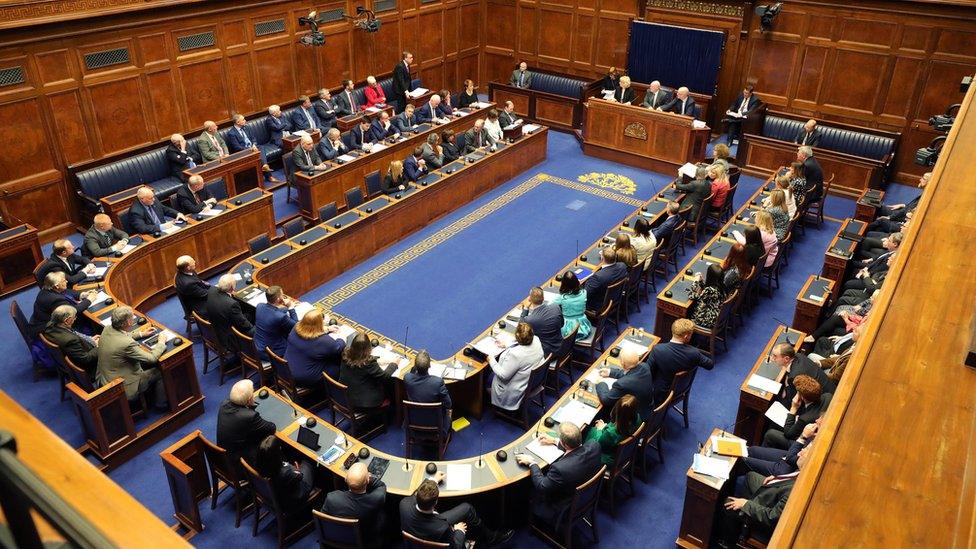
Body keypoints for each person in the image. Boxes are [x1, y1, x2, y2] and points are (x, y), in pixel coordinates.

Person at [721, 444, 811, 545]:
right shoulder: (803, 472)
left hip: (766, 517)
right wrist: (777, 478)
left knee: (727, 503)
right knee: (751, 476)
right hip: (771, 493)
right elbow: (789, 479)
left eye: (805, 450)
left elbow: (772, 518)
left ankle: (728, 542)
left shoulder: (793, 491)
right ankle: (740, 524)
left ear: (811, 459)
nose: (800, 452)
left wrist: (746, 504)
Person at [515, 423, 602, 526]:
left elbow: (541, 486)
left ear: (564, 443)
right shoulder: (594, 445)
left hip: (561, 507)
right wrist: (554, 441)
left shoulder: (560, 469)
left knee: (522, 488)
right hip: (585, 496)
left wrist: (532, 463)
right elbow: (575, 449)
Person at [399, 478, 512, 547]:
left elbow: (415, 494)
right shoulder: (443, 528)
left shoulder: (404, 504)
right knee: (467, 510)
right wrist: (459, 531)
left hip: (420, 526)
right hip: (433, 526)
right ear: (436, 502)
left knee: (466, 508)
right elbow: (456, 546)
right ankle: (490, 538)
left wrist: (432, 479)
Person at [96, 306, 169, 404]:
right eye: (132, 318)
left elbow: (121, 335)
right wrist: (161, 342)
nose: (133, 319)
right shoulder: (127, 344)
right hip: (122, 387)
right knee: (160, 369)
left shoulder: (108, 329)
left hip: (106, 379)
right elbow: (151, 358)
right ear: (128, 322)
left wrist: (141, 334)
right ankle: (161, 404)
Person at [322, 462, 388, 549]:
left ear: (345, 479)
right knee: (385, 515)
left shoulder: (332, 498)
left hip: (337, 537)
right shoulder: (376, 499)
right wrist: (368, 477)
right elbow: (382, 486)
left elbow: (324, 517)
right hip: (366, 541)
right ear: (368, 481)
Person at [648, 318, 713, 403]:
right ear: (686, 336)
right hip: (680, 390)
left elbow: (647, 372)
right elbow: (710, 365)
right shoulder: (694, 353)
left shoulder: (658, 350)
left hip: (660, 394)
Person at [216, 379, 276, 468]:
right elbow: (271, 428)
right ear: (249, 400)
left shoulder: (224, 405)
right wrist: (251, 407)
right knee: (272, 442)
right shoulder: (250, 416)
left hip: (225, 458)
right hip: (240, 464)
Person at [763, 375, 831, 449]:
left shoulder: (804, 419)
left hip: (805, 444)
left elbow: (788, 434)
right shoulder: (828, 396)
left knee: (770, 433)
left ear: (801, 396)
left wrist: (793, 408)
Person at [254, 435, 316, 516]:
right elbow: (300, 476)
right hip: (294, 498)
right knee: (308, 461)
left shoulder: (260, 464)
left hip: (277, 494)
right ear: (278, 451)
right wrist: (296, 468)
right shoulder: (286, 472)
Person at [488, 322, 543, 410]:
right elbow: (522, 346)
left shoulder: (515, 355)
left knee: (488, 374)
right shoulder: (536, 340)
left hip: (513, 390)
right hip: (531, 382)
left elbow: (503, 376)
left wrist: (491, 359)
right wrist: (507, 345)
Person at [286, 308, 345, 389]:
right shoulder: (323, 341)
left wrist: (327, 329)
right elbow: (338, 348)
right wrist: (341, 338)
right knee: (340, 364)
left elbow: (309, 330)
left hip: (286, 370)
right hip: (305, 379)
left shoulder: (295, 328)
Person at [28, 273, 96, 339]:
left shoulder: (49, 289)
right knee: (90, 321)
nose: (66, 281)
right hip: (50, 328)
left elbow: (67, 292)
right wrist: (89, 300)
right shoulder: (55, 300)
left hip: (39, 320)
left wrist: (82, 295)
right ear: (57, 286)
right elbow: (74, 311)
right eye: (64, 281)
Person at [339, 331, 395, 410]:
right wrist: (394, 364)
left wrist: (375, 359)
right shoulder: (369, 363)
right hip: (365, 403)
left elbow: (358, 359)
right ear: (368, 347)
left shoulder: (345, 353)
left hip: (344, 395)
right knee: (388, 386)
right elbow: (384, 377)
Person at [594, 347, 654, 418]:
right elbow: (631, 373)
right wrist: (610, 373)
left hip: (636, 416)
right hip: (648, 407)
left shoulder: (621, 384)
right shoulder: (645, 367)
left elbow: (606, 400)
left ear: (622, 363)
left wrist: (600, 383)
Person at [403, 350, 452, 436]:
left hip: (413, 420)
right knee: (448, 412)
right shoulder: (437, 382)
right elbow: (448, 404)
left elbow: (411, 374)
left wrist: (414, 368)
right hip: (435, 423)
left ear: (415, 366)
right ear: (429, 366)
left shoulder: (407, 379)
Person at [585, 395, 641, 466]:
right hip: (624, 453)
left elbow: (597, 444)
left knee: (588, 431)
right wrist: (605, 427)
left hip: (607, 459)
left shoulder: (610, 433)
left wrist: (599, 429)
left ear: (617, 409)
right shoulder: (638, 419)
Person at [768, 343, 835, 401]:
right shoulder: (799, 355)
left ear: (786, 358)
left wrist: (786, 388)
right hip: (831, 389)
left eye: (775, 356)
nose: (772, 358)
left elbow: (793, 398)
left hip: (824, 399)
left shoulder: (794, 376)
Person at [206, 274, 254, 355]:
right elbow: (244, 325)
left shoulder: (211, 290)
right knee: (257, 329)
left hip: (216, 329)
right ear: (232, 287)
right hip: (229, 338)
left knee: (248, 315)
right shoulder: (232, 304)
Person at [43, 304, 99, 373]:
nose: (75, 318)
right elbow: (85, 359)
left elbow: (73, 333)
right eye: (74, 317)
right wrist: (100, 346)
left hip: (74, 355)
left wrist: (90, 340)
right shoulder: (70, 340)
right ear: (67, 321)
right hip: (91, 368)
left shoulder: (50, 326)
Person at [226, 114, 280, 184]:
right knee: (258, 155)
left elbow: (253, 138)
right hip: (243, 151)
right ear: (238, 122)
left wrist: (254, 144)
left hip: (253, 148)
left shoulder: (246, 127)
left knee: (260, 147)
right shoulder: (231, 133)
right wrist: (250, 149)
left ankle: (265, 166)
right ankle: (268, 175)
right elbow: (236, 147)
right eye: (243, 119)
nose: (245, 120)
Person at [254, 286, 298, 361]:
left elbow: (272, 312)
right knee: (297, 341)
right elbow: (296, 326)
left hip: (257, 346)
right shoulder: (280, 317)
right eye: (282, 295)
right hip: (271, 353)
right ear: (278, 299)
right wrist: (291, 307)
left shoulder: (259, 306)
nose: (283, 297)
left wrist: (285, 308)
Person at [519, 287, 564, 357]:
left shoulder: (530, 320)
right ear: (543, 298)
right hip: (561, 346)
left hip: (547, 353)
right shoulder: (555, 307)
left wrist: (525, 308)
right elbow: (562, 324)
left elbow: (520, 329)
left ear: (530, 300)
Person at [583, 247, 627, 312]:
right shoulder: (622, 266)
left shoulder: (598, 277)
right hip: (616, 297)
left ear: (602, 258)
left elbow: (585, 295)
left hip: (599, 305)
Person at [554, 270, 591, 341]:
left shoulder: (562, 298)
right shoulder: (584, 292)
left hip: (568, 328)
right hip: (583, 324)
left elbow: (550, 305)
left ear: (563, 284)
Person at [689, 264, 727, 328]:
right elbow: (706, 291)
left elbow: (692, 296)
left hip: (707, 320)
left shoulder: (710, 290)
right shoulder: (721, 286)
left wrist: (695, 281)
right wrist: (701, 281)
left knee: (689, 309)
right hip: (715, 316)